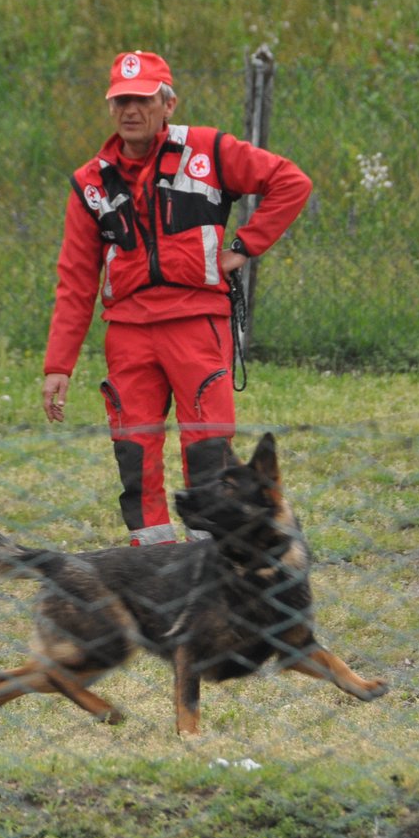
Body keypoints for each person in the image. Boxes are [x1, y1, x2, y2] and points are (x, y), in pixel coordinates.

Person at [42, 51, 312, 545]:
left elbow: (291, 183)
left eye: (143, 99)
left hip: (197, 325)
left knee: (208, 445)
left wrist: (243, 247)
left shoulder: (208, 150)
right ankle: (154, 561)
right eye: (121, 100)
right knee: (133, 450)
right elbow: (76, 279)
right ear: (110, 108)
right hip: (128, 334)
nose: (131, 110)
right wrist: (58, 365)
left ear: (168, 104)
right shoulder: (91, 183)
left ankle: (208, 557)